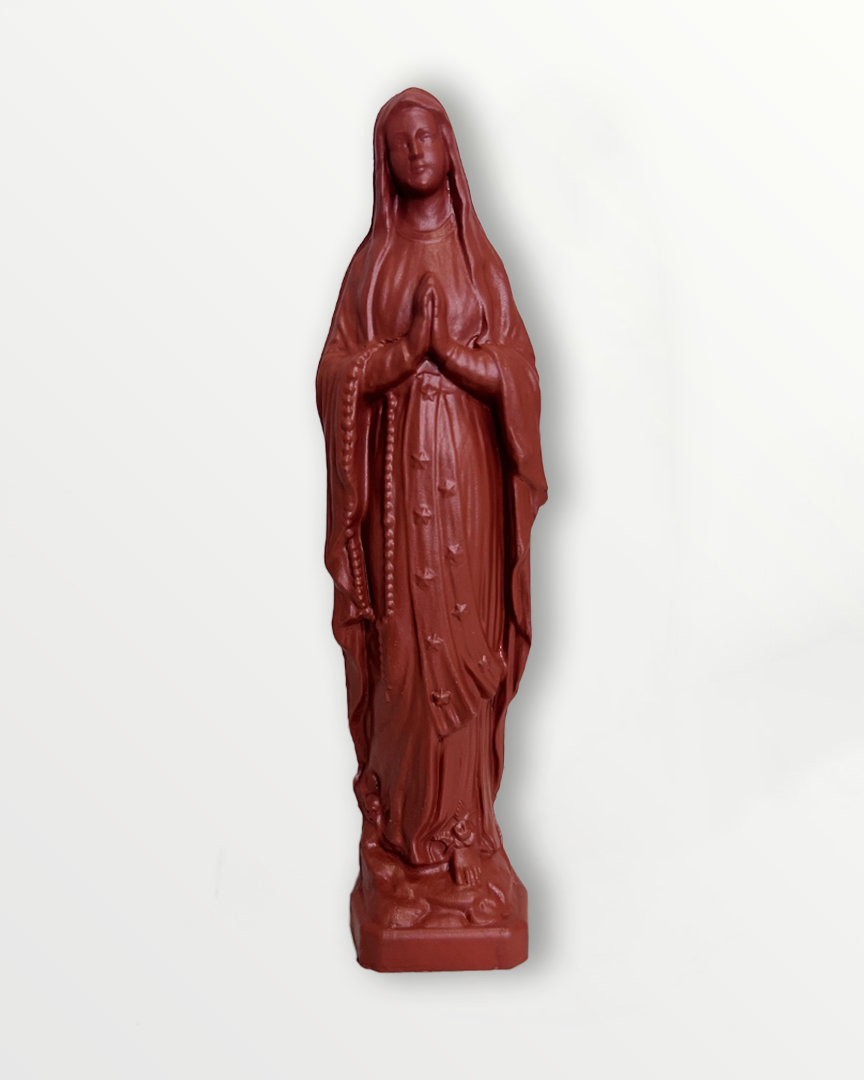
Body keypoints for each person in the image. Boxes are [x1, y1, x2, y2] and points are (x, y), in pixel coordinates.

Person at [317, 88, 546, 923]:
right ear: (386, 162)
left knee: (468, 649)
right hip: (396, 497)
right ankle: (405, 845)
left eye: (426, 135)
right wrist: (400, 355)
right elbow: (334, 374)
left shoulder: (482, 265)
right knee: (406, 664)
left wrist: (453, 355)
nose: (416, 149)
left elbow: (520, 374)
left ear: (450, 147)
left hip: (469, 497)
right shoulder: (371, 266)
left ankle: (464, 840)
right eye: (399, 140)